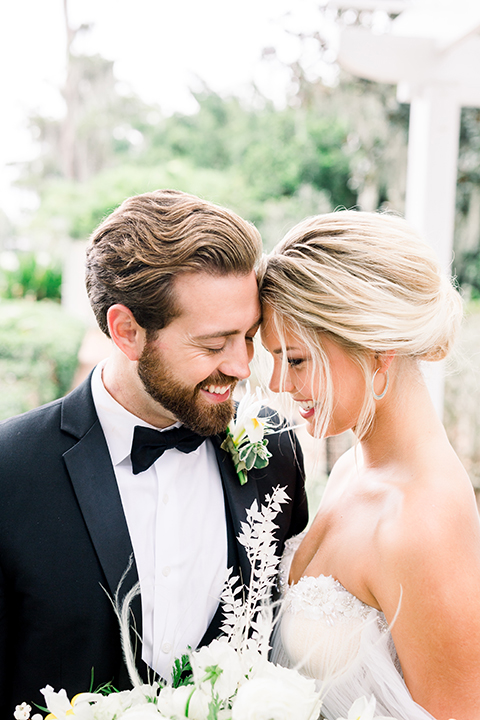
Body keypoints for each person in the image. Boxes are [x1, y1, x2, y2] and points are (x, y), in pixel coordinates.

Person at [0, 189, 308, 717]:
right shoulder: (12, 469)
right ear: (127, 331)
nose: (241, 366)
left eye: (249, 337)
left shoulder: (274, 453)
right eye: (214, 344)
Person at [259, 210, 480, 720]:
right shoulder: (351, 472)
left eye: (295, 359)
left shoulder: (421, 521)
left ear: (378, 349)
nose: (277, 384)